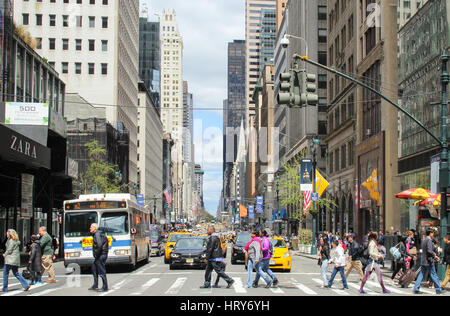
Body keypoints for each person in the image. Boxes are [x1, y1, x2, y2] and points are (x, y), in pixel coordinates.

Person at [413, 229, 442, 294]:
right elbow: (429, 250)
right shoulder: (429, 240)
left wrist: (435, 248)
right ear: (430, 233)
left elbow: (428, 249)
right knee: (433, 274)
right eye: (432, 233)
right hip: (428, 261)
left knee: (421, 274)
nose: (433, 234)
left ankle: (416, 288)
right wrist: (435, 256)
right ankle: (438, 289)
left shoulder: (424, 240)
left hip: (423, 260)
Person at [88, 223, 109, 292]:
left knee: (101, 271)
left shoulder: (97, 234)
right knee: (94, 268)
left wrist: (96, 254)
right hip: (101, 254)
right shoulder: (98, 233)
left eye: (91, 227)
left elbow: (99, 245)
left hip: (101, 255)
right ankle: (95, 285)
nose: (90, 228)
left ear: (95, 228)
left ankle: (105, 287)